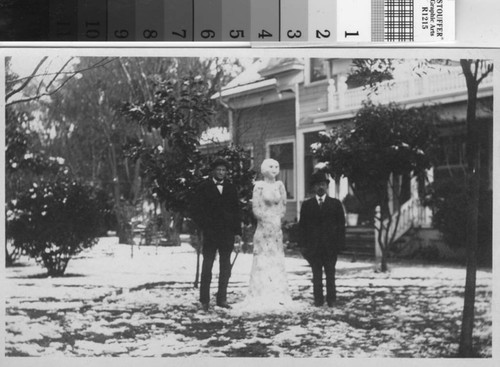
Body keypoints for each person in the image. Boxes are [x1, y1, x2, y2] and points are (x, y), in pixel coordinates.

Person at [241, 158, 292, 311]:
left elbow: (283, 205)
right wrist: (265, 219)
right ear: (264, 168)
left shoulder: (280, 185)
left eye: (277, 166)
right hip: (263, 227)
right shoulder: (259, 186)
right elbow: (255, 207)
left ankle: (277, 293)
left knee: (275, 258)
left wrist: (276, 219)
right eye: (271, 166)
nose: (274, 169)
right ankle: (261, 292)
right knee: (263, 259)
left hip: (275, 227)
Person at [192, 157, 241, 311]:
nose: (221, 173)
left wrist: (237, 232)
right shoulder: (203, 187)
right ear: (213, 171)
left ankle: (222, 299)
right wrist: (202, 227)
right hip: (210, 233)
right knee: (207, 266)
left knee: (225, 267)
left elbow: (237, 211)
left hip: (227, 233)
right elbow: (196, 210)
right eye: (218, 170)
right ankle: (204, 300)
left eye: (224, 170)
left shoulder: (231, 188)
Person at [298, 171, 345, 307]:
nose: (321, 187)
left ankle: (332, 300)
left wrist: (340, 245)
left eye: (323, 184)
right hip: (314, 248)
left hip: (330, 247)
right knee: (316, 275)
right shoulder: (307, 205)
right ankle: (318, 300)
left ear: (327, 186)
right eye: (318, 185)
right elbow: (303, 227)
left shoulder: (335, 204)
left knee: (330, 275)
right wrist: (303, 245)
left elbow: (341, 226)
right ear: (313, 187)